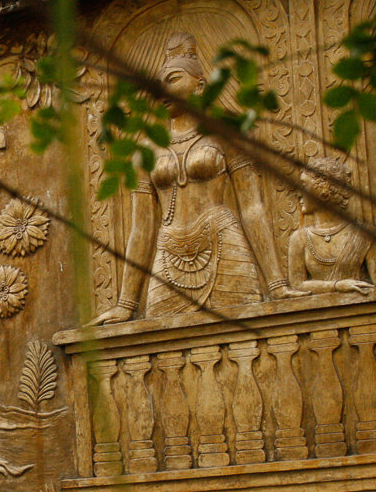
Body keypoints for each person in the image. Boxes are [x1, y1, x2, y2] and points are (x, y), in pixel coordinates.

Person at [90, 32, 305, 325]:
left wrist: (278, 285)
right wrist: (126, 304)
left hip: (225, 248)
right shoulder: (147, 149)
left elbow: (252, 208)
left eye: (173, 79)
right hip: (168, 255)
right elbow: (141, 227)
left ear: (200, 84)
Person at [287, 156, 376, 293]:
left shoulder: (365, 235)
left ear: (324, 188)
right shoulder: (299, 238)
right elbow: (297, 285)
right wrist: (336, 286)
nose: (299, 194)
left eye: (305, 185)